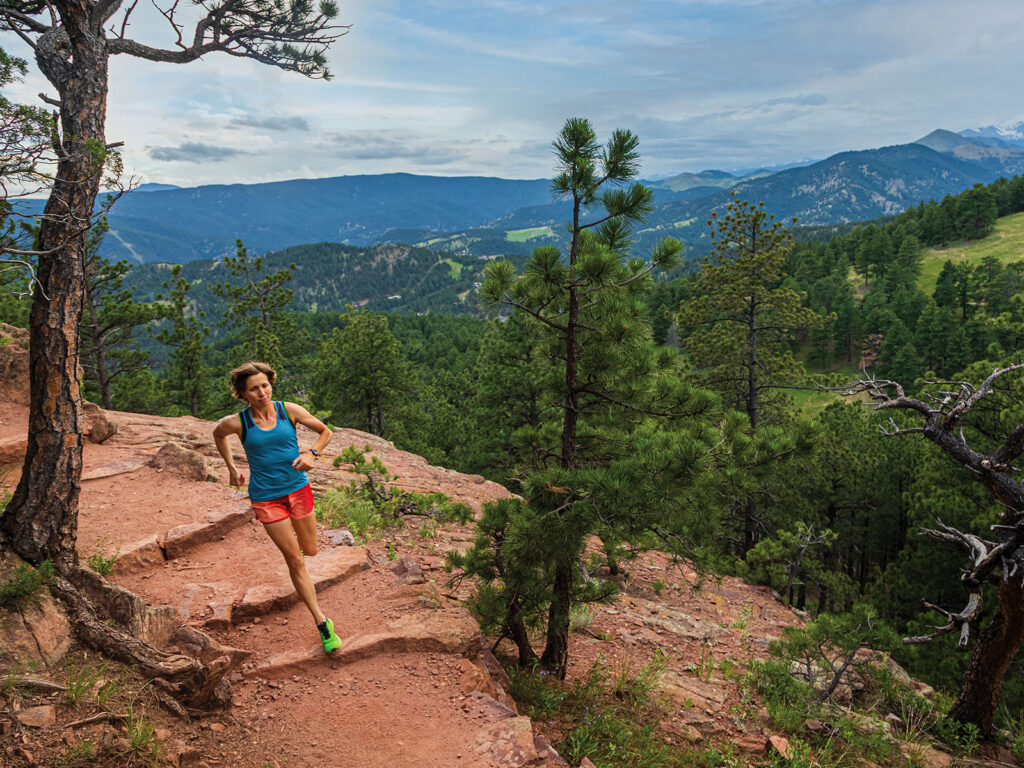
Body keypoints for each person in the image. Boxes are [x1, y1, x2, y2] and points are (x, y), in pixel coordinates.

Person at [212, 361, 341, 653]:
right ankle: (322, 623)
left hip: (298, 489)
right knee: (295, 560)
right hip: (266, 498)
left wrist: (311, 453)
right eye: (254, 389)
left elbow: (325, 432)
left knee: (311, 550)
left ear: (270, 384)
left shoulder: (288, 410)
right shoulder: (238, 422)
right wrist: (231, 468)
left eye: (265, 385)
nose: (261, 392)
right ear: (243, 394)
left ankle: (301, 563)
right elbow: (217, 434)